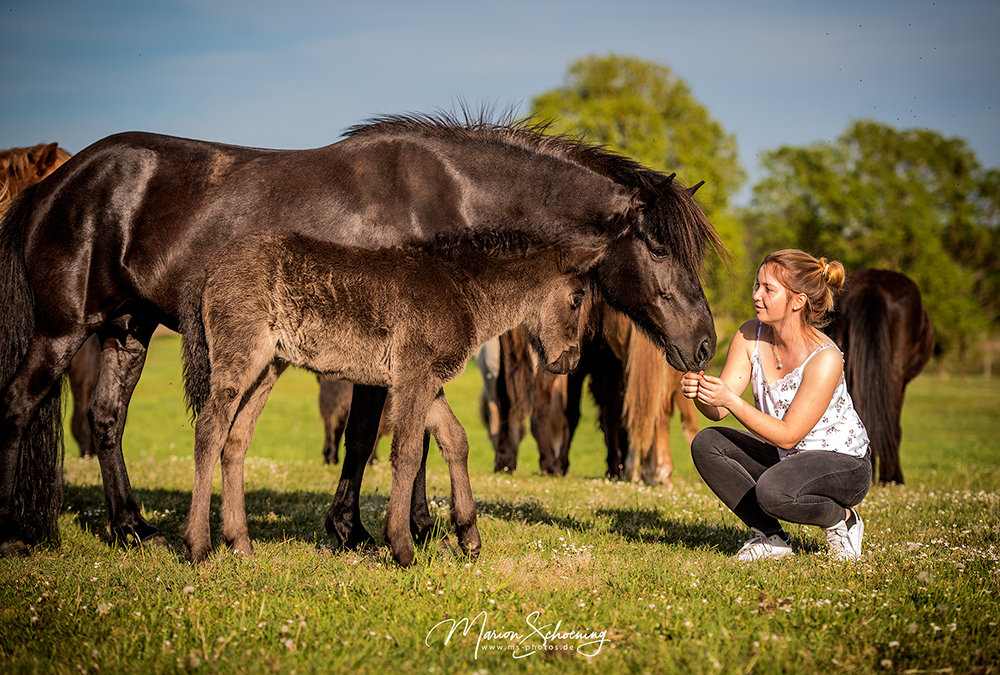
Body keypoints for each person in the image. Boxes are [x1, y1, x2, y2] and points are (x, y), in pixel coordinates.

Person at [681, 249, 871, 561]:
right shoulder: (749, 335)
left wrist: (731, 400)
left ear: (798, 301)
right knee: (707, 442)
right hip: (789, 458)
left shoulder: (825, 358)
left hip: (843, 464)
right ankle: (771, 538)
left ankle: (843, 520)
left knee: (772, 491)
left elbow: (787, 435)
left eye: (769, 289)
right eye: (757, 285)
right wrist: (703, 393)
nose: (757, 295)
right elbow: (719, 410)